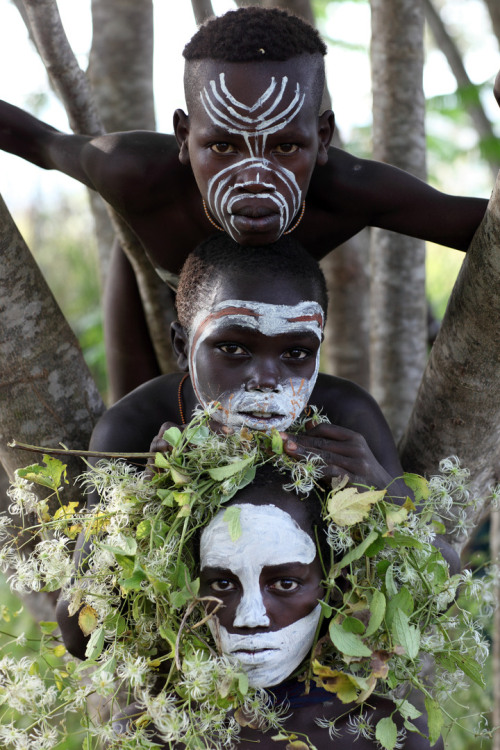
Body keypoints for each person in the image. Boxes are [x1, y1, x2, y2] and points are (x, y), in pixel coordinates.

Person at [0, 7, 496, 399]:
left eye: (285, 147)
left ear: (322, 138)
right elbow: (40, 142)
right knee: (134, 438)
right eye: (222, 147)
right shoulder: (135, 174)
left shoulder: (347, 191)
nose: (256, 179)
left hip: (269, 332)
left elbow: (479, 227)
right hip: (152, 289)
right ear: (183, 136)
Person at [112, 463, 446, 749]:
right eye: (223, 584)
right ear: (187, 591)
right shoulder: (149, 734)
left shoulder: (390, 732)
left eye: (285, 584)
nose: (250, 618)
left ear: (336, 590)